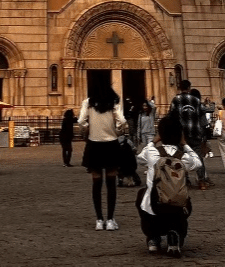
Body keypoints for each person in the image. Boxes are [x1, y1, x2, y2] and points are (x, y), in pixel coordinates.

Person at [136, 111, 201, 256]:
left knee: (142, 195)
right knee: (185, 201)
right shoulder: (184, 158)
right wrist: (185, 144)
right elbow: (198, 163)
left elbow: (139, 159)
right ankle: (175, 234)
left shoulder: (152, 153)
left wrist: (153, 141)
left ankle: (153, 237)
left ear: (161, 134)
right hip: (177, 207)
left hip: (155, 206)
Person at [78, 84, 126, 231]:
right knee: (111, 184)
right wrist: (117, 132)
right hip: (111, 145)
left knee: (96, 184)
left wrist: (88, 130)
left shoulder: (88, 102)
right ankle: (110, 220)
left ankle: (99, 220)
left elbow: (80, 121)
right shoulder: (114, 102)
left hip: (94, 145)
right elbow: (122, 121)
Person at [170, 82, 212, 189]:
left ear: (180, 88)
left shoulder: (175, 100)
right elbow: (203, 112)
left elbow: (171, 115)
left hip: (181, 135)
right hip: (195, 133)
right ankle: (202, 181)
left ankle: (185, 181)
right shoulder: (196, 100)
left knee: (182, 157)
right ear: (189, 88)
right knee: (198, 157)